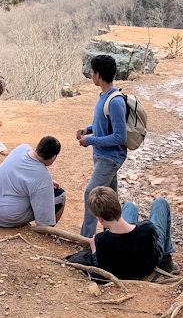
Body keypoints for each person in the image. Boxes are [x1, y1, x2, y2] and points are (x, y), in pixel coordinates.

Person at [67, 186, 178, 280]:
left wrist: (95, 251)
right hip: (147, 265)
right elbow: (152, 237)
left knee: (130, 206)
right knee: (160, 202)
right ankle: (165, 260)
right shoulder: (148, 228)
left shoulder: (100, 240)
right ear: (118, 207)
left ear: (100, 219)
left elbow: (100, 266)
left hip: (124, 261)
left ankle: (122, 228)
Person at [76, 54, 127, 238]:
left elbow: (120, 137)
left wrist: (90, 140)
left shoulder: (115, 101)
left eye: (92, 72)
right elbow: (104, 124)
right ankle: (114, 236)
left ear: (98, 74)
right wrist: (87, 129)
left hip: (110, 158)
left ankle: (85, 241)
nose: (91, 76)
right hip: (103, 157)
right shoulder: (104, 96)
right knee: (110, 201)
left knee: (91, 196)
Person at [0, 136, 66, 228]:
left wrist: (47, 183)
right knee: (60, 194)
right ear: (53, 158)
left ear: (38, 146)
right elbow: (45, 222)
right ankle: (47, 237)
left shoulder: (22, 148)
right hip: (4, 218)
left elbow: (24, 173)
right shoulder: (43, 176)